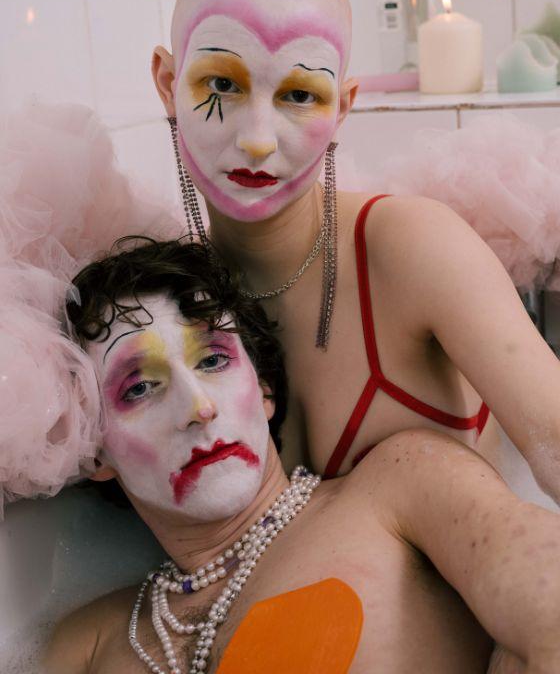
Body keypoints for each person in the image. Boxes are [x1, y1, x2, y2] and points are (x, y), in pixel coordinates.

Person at [151, 0, 560, 500]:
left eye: (299, 94)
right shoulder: (160, 302)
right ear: (169, 84)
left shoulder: (414, 248)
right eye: (222, 84)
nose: (257, 140)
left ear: (342, 107)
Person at [44, 238, 560, 674]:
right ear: (91, 450)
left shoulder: (396, 488)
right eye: (140, 389)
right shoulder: (89, 642)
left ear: (263, 388)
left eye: (214, 359)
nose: (198, 407)